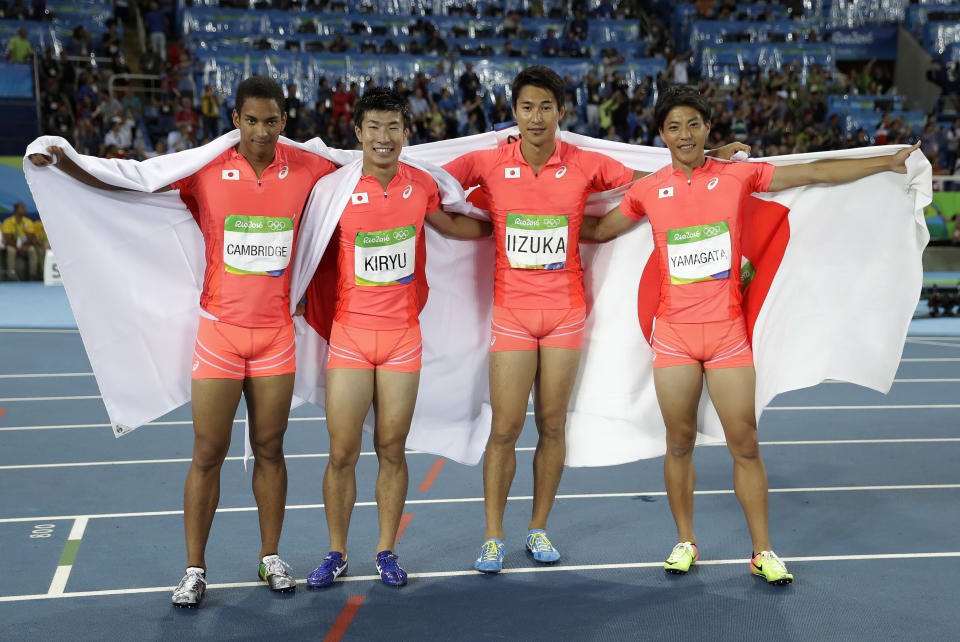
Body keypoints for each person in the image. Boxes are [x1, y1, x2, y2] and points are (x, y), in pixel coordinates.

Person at [580, 84, 920, 585]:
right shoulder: (648, 189)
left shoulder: (737, 176)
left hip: (726, 338)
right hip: (673, 337)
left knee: (746, 444)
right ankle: (684, 541)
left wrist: (884, 163)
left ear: (707, 129)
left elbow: (815, 172)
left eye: (693, 124)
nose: (684, 134)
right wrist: (526, 218)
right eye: (673, 127)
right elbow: (602, 230)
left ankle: (763, 551)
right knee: (679, 442)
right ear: (662, 135)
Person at [28, 76, 341, 607]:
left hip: (274, 337)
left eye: (272, 121)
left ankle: (270, 556)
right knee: (207, 452)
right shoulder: (204, 167)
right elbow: (136, 182)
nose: (261, 131)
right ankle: (195, 568)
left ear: (284, 122)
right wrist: (67, 164)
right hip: (219, 334)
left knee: (270, 449)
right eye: (251, 120)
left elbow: (374, 164)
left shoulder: (309, 167)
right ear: (235, 119)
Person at [442, 67, 748, 574]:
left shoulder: (586, 163)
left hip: (564, 314)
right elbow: (428, 182)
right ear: (513, 114)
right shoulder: (488, 162)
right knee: (506, 427)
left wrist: (711, 159)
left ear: (562, 112)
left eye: (546, 107)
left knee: (552, 425)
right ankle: (493, 535)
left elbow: (661, 179)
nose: (536, 117)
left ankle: (538, 528)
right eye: (526, 108)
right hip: (512, 316)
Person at [306, 88, 492, 589]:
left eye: (393, 128)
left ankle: (386, 551)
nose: (383, 137)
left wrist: (504, 226)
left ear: (406, 134)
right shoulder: (336, 190)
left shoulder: (421, 185)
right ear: (359, 133)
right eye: (374, 127)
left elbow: (451, 225)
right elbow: (307, 245)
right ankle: (337, 551)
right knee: (342, 451)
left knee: (392, 447)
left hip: (402, 338)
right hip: (349, 337)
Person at [2, 202, 39, 280]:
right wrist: (17, 248)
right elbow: (8, 238)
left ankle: (32, 275)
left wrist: (25, 246)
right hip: (12, 245)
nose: (25, 210)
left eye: (25, 208)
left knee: (32, 250)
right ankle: (10, 276)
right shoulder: (8, 222)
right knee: (11, 251)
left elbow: (30, 237)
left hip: (25, 245)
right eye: (22, 208)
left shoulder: (28, 222)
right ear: (15, 209)